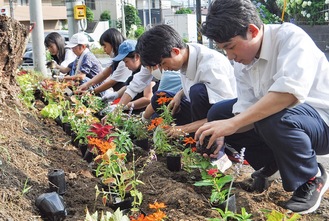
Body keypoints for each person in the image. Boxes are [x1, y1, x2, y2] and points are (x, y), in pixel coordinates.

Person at [195, 0, 329, 214]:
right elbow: (244, 110)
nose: (229, 56)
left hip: (321, 123)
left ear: (252, 30)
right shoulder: (243, 63)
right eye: (223, 50)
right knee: (218, 114)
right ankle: (272, 165)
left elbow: (287, 95)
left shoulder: (290, 38)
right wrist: (221, 134)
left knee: (271, 117)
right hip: (288, 120)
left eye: (230, 47)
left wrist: (233, 124)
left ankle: (311, 177)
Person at [135, 24, 237, 171]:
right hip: (201, 114)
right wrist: (180, 93)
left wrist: (182, 129)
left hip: (224, 124)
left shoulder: (211, 65)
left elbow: (226, 114)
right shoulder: (186, 54)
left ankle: (215, 154)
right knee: (160, 97)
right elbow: (195, 81)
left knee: (197, 92)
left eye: (163, 63)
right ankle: (191, 144)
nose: (163, 69)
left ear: (175, 51)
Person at [101, 39, 156, 114]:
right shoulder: (137, 70)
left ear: (136, 56)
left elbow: (147, 98)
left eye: (126, 61)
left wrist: (124, 106)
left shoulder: (149, 67)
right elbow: (130, 87)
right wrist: (115, 95)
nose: (125, 65)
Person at [76, 28, 131, 95]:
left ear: (112, 43)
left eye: (105, 46)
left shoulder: (124, 61)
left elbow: (111, 82)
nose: (104, 50)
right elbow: (103, 74)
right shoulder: (116, 59)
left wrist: (91, 92)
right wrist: (86, 85)